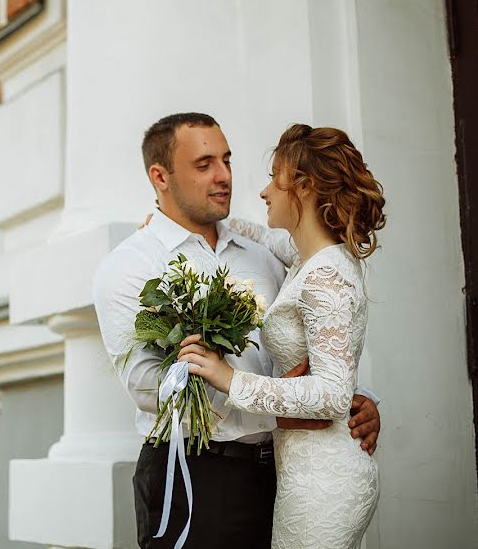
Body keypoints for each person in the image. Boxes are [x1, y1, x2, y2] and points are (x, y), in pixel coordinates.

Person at [92, 113, 381, 549]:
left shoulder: (266, 255)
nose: (224, 175)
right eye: (204, 164)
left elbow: (318, 340)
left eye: (226, 160)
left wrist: (357, 403)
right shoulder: (131, 265)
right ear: (160, 176)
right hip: (195, 476)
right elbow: (147, 385)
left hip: (283, 475)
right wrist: (281, 411)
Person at [177, 123, 383, 548]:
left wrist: (229, 379)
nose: (264, 191)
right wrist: (175, 219)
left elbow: (331, 395)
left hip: (323, 483)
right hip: (303, 471)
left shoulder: (325, 273)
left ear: (304, 187)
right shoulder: (309, 257)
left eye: (275, 177)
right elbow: (264, 235)